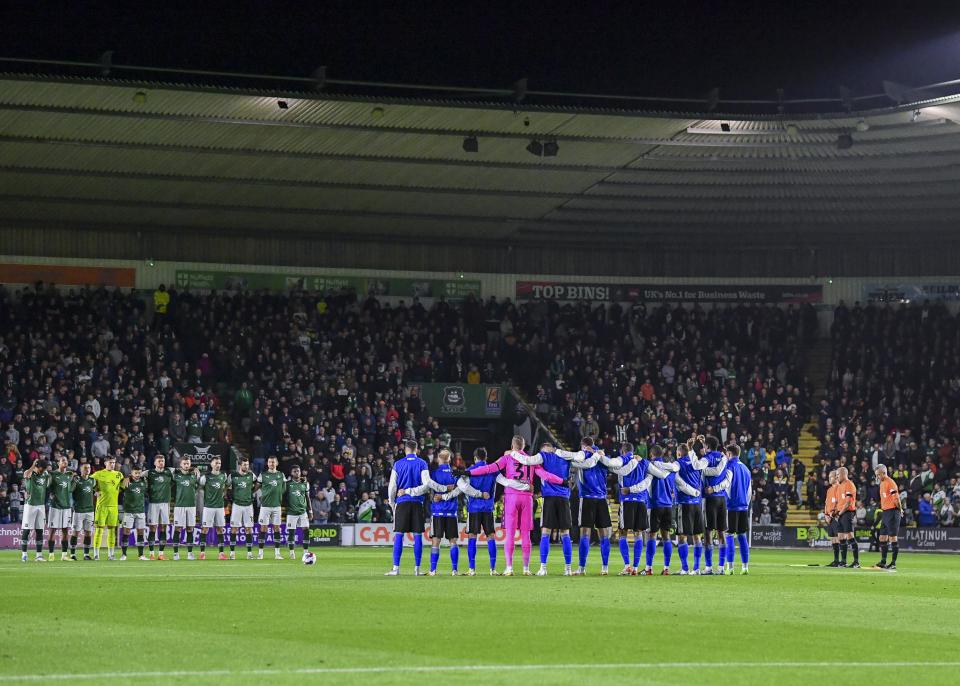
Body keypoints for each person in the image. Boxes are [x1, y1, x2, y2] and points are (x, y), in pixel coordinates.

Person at [473, 435, 563, 576]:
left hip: (511, 497)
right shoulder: (531, 460)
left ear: (512, 445)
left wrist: (469, 472)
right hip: (527, 498)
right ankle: (526, 569)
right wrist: (562, 481)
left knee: (510, 534)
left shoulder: (507, 458)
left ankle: (509, 568)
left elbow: (489, 469)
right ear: (524, 446)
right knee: (526, 534)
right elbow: (545, 475)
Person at [504, 441, 583, 575]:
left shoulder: (543, 456)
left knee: (546, 532)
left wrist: (512, 453)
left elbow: (527, 460)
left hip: (549, 498)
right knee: (565, 534)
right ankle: (568, 569)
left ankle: (543, 568)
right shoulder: (565, 456)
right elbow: (580, 457)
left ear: (544, 449)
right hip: (564, 497)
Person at [448, 447, 499, 576]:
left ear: (475, 458)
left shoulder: (470, 471)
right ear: (486, 457)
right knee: (490, 536)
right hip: (488, 508)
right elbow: (502, 482)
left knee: (472, 537)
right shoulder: (492, 470)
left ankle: (472, 569)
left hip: (474, 508)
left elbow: (464, 488)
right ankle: (493, 569)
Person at [385, 439, 432, 576]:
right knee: (417, 536)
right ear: (416, 449)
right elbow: (427, 485)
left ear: (405, 449)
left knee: (399, 535)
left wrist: (392, 503)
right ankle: (417, 569)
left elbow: (392, 486)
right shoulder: (422, 463)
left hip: (402, 502)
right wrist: (414, 492)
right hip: (417, 503)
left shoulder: (398, 464)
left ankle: (396, 568)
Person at [643, 444, 680, 575]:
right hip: (668, 506)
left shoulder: (649, 467)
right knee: (666, 536)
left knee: (652, 535)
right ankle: (666, 568)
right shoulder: (669, 468)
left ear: (651, 454)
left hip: (654, 505)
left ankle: (648, 568)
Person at [675, 436, 709, 575]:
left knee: (682, 536)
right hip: (697, 504)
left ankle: (685, 568)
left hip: (684, 503)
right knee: (697, 536)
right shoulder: (697, 463)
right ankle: (696, 568)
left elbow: (678, 481)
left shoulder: (678, 463)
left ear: (679, 453)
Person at [425, 449, 461, 576]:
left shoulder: (434, 473)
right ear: (449, 459)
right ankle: (454, 570)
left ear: (439, 459)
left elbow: (429, 488)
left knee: (436, 540)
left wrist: (436, 495)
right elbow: (459, 489)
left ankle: (433, 570)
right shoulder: (455, 473)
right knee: (453, 541)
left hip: (438, 511)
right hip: (451, 511)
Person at [702, 438, 731, 575]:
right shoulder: (724, 457)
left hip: (710, 499)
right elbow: (725, 478)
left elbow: (704, 470)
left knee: (708, 532)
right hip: (722, 498)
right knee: (721, 532)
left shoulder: (706, 459)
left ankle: (708, 567)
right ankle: (721, 567)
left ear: (707, 446)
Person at [725, 444, 752, 575]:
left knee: (729, 535)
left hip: (731, 506)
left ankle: (730, 568)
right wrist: (745, 504)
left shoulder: (729, 466)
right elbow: (749, 491)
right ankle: (745, 567)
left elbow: (727, 486)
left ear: (729, 454)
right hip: (744, 507)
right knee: (742, 536)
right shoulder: (746, 469)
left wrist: (727, 502)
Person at [90, 456, 124, 561]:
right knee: (99, 530)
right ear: (105, 463)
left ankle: (111, 555)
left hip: (113, 506)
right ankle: (96, 554)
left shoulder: (119, 475)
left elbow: (123, 486)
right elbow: (88, 483)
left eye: (113, 462)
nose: (112, 464)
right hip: (102, 506)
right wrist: (94, 492)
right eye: (110, 462)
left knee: (112, 531)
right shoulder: (98, 474)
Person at [20, 458, 51, 562]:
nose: (42, 472)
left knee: (40, 530)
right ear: (37, 467)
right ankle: (24, 554)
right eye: (41, 470)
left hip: (41, 505)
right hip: (30, 505)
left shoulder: (45, 474)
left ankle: (39, 555)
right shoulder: (29, 473)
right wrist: (33, 464)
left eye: (44, 470)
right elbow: (26, 475)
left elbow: (48, 482)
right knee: (26, 529)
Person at [875, 464, 904, 570]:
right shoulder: (882, 483)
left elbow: (896, 498)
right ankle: (883, 561)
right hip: (885, 512)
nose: (877, 477)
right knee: (882, 537)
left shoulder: (890, 482)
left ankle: (893, 563)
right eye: (876, 475)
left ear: (884, 473)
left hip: (893, 511)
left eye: (878, 475)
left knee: (892, 538)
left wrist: (900, 509)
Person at [257, 456, 286, 560]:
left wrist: (279, 496)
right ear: (267, 463)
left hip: (277, 506)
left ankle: (277, 553)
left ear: (276, 463)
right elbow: (257, 487)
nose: (271, 464)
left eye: (273, 462)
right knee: (263, 528)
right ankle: (260, 553)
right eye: (270, 462)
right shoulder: (263, 475)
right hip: (265, 506)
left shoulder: (281, 475)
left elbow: (284, 488)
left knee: (277, 528)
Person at [47, 455, 76, 561]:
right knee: (52, 530)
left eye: (66, 460)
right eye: (63, 460)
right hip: (55, 506)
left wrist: (74, 480)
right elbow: (47, 486)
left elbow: (70, 490)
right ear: (58, 463)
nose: (65, 462)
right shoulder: (52, 474)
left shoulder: (69, 475)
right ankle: (51, 554)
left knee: (65, 531)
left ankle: (64, 555)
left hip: (67, 506)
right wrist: (50, 494)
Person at [171, 456, 200, 561]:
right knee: (178, 528)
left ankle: (190, 553)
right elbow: (168, 470)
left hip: (191, 506)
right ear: (180, 464)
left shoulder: (194, 475)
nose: (187, 465)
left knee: (190, 529)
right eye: (184, 463)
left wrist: (195, 469)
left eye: (188, 463)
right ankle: (175, 553)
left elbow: (198, 486)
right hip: (179, 506)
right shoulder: (176, 476)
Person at [199, 457, 228, 560]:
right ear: (211, 464)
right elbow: (200, 488)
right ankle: (202, 553)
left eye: (219, 463)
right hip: (209, 507)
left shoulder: (223, 475)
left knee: (220, 529)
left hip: (219, 507)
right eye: (216, 463)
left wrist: (223, 494)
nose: (218, 465)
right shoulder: (205, 477)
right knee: (205, 529)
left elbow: (225, 486)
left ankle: (221, 554)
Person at [228, 457, 257, 559]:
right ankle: (232, 553)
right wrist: (230, 500)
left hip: (248, 505)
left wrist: (251, 492)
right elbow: (227, 487)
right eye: (244, 465)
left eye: (247, 464)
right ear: (240, 465)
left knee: (248, 528)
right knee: (234, 528)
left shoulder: (251, 475)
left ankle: (249, 553)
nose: (246, 466)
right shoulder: (233, 476)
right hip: (237, 505)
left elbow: (257, 484)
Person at [832, 466, 860, 568]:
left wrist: (840, 513)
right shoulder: (839, 486)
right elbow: (840, 502)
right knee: (841, 537)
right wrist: (835, 511)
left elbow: (848, 503)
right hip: (840, 513)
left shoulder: (849, 484)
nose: (836, 477)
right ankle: (843, 561)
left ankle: (856, 562)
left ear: (844, 474)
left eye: (838, 475)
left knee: (850, 536)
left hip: (847, 513)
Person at [146, 454, 173, 560]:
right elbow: (136, 474)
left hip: (165, 503)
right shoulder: (149, 472)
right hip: (153, 503)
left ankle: (161, 554)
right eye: (159, 461)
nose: (161, 463)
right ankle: (151, 554)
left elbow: (182, 469)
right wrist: (128, 477)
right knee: (153, 527)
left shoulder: (169, 471)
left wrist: (194, 468)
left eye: (163, 461)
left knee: (163, 527)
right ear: (154, 463)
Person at [120, 465, 148, 561]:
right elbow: (119, 489)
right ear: (131, 473)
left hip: (140, 511)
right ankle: (124, 554)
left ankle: (141, 555)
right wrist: (126, 477)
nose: (137, 475)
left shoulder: (144, 481)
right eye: (135, 473)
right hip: (129, 511)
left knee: (140, 532)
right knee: (126, 532)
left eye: (139, 473)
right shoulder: (126, 481)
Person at [285, 465, 312, 560]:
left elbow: (307, 498)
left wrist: (310, 510)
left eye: (298, 471)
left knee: (306, 531)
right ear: (291, 473)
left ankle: (305, 552)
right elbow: (283, 496)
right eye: (295, 471)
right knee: (291, 532)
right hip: (291, 512)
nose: (297, 473)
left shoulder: (305, 483)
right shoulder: (287, 484)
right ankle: (292, 553)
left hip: (302, 512)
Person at [69, 463, 95, 560]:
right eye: (85, 468)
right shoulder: (77, 479)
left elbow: (97, 490)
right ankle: (72, 554)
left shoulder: (92, 481)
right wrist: (74, 481)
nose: (87, 469)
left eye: (89, 468)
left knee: (88, 533)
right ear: (81, 470)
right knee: (75, 532)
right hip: (79, 510)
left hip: (90, 510)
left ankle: (86, 555)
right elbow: (70, 490)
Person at [822, 470, 841, 567]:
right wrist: (826, 514)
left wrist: (832, 514)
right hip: (829, 517)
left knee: (838, 538)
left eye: (831, 477)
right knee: (833, 539)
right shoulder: (829, 490)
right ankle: (836, 560)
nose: (829, 479)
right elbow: (826, 503)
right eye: (829, 477)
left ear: (836, 477)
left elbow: (839, 503)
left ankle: (842, 560)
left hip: (835, 517)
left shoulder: (839, 488)